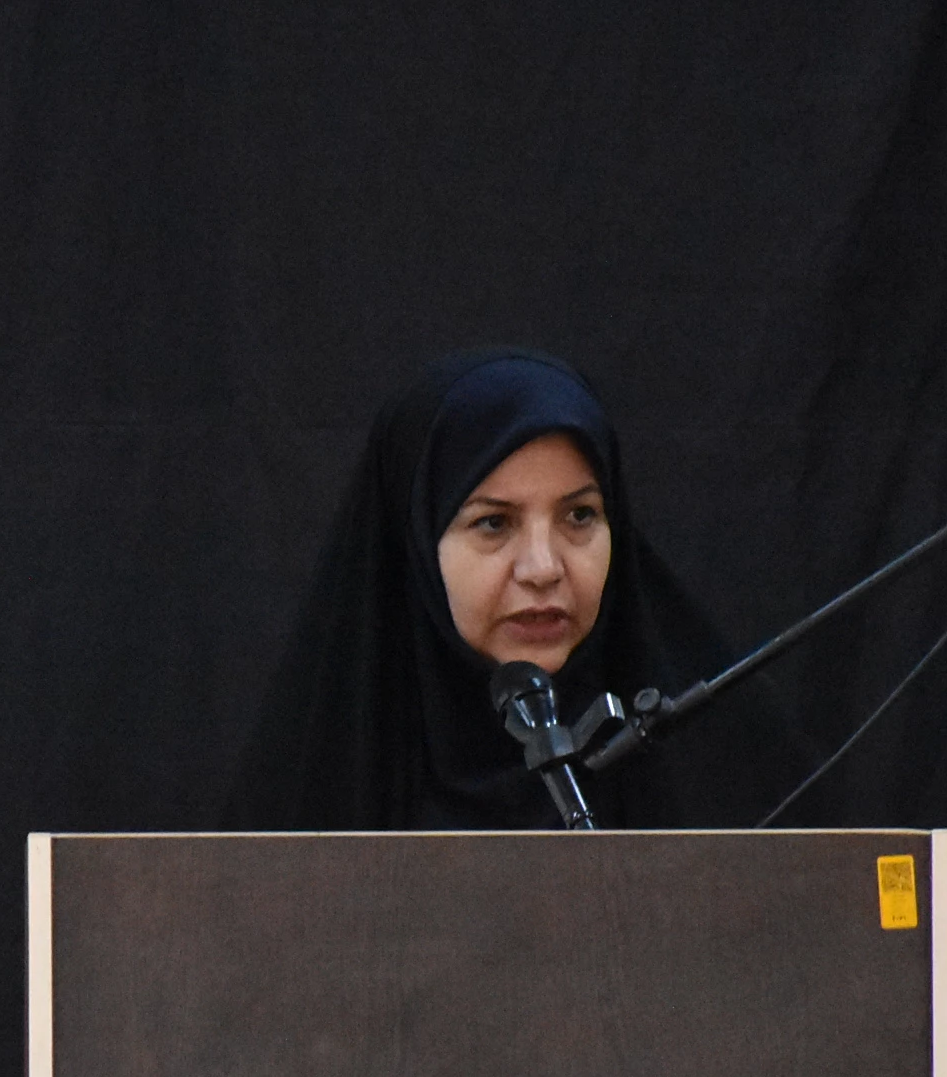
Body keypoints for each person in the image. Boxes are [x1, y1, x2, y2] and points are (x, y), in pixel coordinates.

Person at [224, 346, 799, 830]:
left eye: (579, 516)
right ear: (416, 543)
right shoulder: (308, 796)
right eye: (494, 523)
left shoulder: (729, 774)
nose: (543, 569)